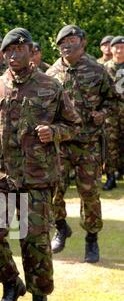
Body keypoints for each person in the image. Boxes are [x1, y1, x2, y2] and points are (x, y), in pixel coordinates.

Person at [0, 28, 80, 301]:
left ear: (31, 52)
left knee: (34, 240)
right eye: (8, 51)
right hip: (1, 174)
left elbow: (74, 125)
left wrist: (55, 132)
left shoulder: (51, 86)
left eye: (19, 50)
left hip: (37, 176)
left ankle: (40, 297)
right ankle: (11, 283)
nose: (13, 55)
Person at [46, 25, 116, 263]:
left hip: (88, 144)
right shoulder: (51, 73)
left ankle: (91, 238)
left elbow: (113, 100)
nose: (67, 45)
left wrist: (103, 113)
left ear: (83, 43)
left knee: (90, 194)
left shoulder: (97, 70)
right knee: (54, 190)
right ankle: (61, 227)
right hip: (61, 143)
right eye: (62, 42)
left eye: (72, 40)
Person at [103, 36, 124, 189]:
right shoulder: (104, 69)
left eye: (122, 47)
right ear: (111, 49)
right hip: (110, 114)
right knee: (111, 145)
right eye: (116, 47)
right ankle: (110, 177)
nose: (119, 50)